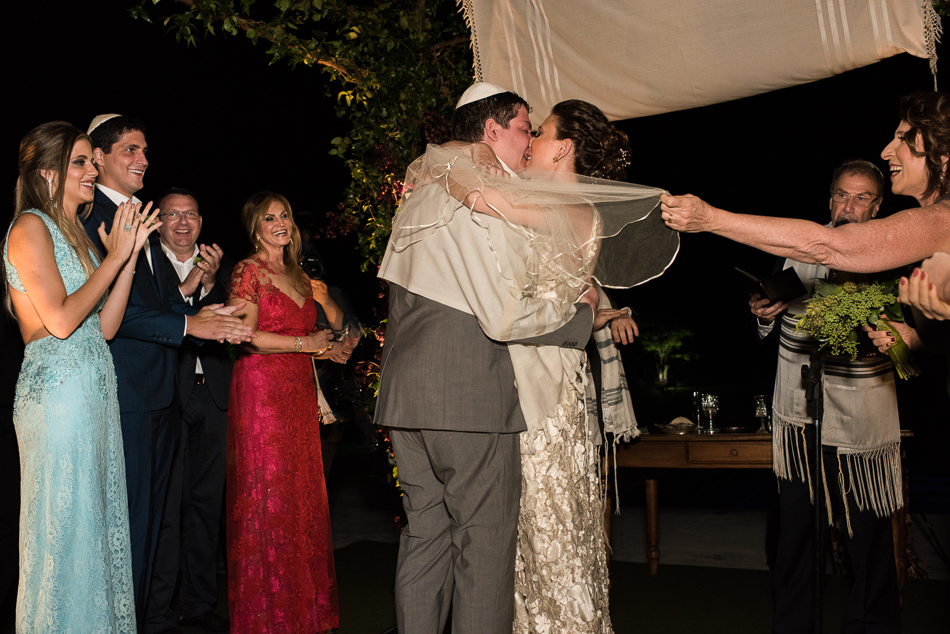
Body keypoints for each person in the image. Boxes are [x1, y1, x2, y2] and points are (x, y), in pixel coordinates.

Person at [378, 84, 677, 634]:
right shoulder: (496, 196)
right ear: (493, 130)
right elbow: (510, 307)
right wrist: (586, 317)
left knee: (476, 533)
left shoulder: (448, 191)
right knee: (491, 541)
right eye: (527, 128)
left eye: (541, 132)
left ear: (563, 150)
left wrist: (451, 170)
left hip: (463, 387)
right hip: (484, 387)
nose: (532, 138)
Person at [80, 114, 250, 621]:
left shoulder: (138, 221)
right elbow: (117, 314)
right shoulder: (96, 220)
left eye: (145, 150)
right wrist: (189, 326)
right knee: (129, 524)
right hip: (126, 392)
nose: (143, 160)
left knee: (150, 523)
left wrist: (201, 310)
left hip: (158, 395)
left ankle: (149, 618)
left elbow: (157, 302)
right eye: (130, 149)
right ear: (100, 158)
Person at [2, 121, 161, 632]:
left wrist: (128, 256)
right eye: (81, 162)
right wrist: (113, 256)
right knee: (65, 530)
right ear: (48, 173)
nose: (93, 170)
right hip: (58, 398)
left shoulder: (79, 234)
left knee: (96, 525)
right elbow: (63, 320)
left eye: (93, 162)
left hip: (94, 393)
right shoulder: (30, 228)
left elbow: (107, 326)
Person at [752, 160, 901, 633]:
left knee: (867, 536)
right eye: (841, 195)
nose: (848, 206)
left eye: (861, 199)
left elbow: (905, 336)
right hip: (800, 416)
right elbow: (771, 326)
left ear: (877, 208)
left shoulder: (892, 252)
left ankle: (872, 626)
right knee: (796, 537)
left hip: (862, 418)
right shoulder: (800, 248)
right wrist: (764, 312)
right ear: (829, 199)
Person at [659, 91, 950, 275]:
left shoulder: (944, 219)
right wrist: (915, 340)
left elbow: (832, 247)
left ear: (943, 154)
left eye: (901, 138)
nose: (886, 151)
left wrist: (710, 218)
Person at [226, 191, 341, 633]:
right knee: (269, 494)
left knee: (301, 494)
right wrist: (304, 345)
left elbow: (326, 326)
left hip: (296, 390)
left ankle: (302, 608)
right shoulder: (247, 270)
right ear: (256, 228)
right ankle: (268, 614)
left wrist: (324, 340)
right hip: (262, 391)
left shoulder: (297, 273)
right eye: (270, 218)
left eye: (285, 216)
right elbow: (246, 335)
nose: (280, 223)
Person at [145, 188, 232, 634]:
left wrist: (213, 283)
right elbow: (153, 320)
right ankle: (160, 612)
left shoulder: (219, 266)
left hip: (212, 395)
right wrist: (193, 285)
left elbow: (232, 325)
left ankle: (199, 605)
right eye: (173, 215)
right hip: (167, 397)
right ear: (158, 221)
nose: (182, 223)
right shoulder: (144, 262)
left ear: (201, 222)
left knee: (205, 506)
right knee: (166, 509)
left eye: (191, 215)